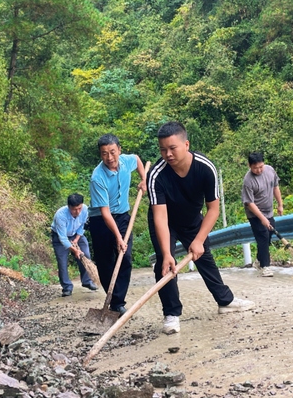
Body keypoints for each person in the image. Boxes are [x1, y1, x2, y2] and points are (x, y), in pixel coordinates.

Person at [148, 121, 254, 335]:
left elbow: (213, 209)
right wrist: (168, 253)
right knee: (164, 263)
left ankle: (225, 301)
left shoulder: (205, 168)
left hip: (191, 218)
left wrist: (197, 241)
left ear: (186, 144)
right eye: (162, 149)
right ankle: (171, 314)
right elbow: (159, 215)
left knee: (204, 256)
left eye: (172, 148)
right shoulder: (156, 175)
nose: (167, 154)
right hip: (165, 220)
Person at [88, 134, 147, 314]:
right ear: (100, 155)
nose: (110, 157)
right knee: (106, 262)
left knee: (125, 256)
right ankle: (113, 301)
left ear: (119, 150)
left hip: (122, 216)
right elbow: (105, 213)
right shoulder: (97, 177)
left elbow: (137, 159)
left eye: (113, 152)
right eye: (104, 154)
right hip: (101, 220)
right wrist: (118, 237)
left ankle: (117, 301)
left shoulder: (126, 161)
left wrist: (144, 179)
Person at [241, 152, 284, 277]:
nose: (259, 170)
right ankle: (265, 266)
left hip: (268, 211)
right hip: (255, 214)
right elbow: (249, 203)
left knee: (269, 235)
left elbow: (275, 187)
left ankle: (259, 260)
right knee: (263, 236)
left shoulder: (270, 170)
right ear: (249, 166)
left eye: (261, 167)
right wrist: (262, 219)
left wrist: (280, 204)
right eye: (255, 168)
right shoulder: (248, 181)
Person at [50, 194, 97, 297]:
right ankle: (67, 287)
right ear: (69, 207)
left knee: (86, 255)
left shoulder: (85, 209)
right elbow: (62, 238)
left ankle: (87, 281)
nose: (77, 212)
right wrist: (74, 250)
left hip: (76, 234)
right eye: (74, 209)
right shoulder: (60, 215)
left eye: (79, 208)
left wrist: (76, 239)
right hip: (59, 237)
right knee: (62, 262)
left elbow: (83, 225)